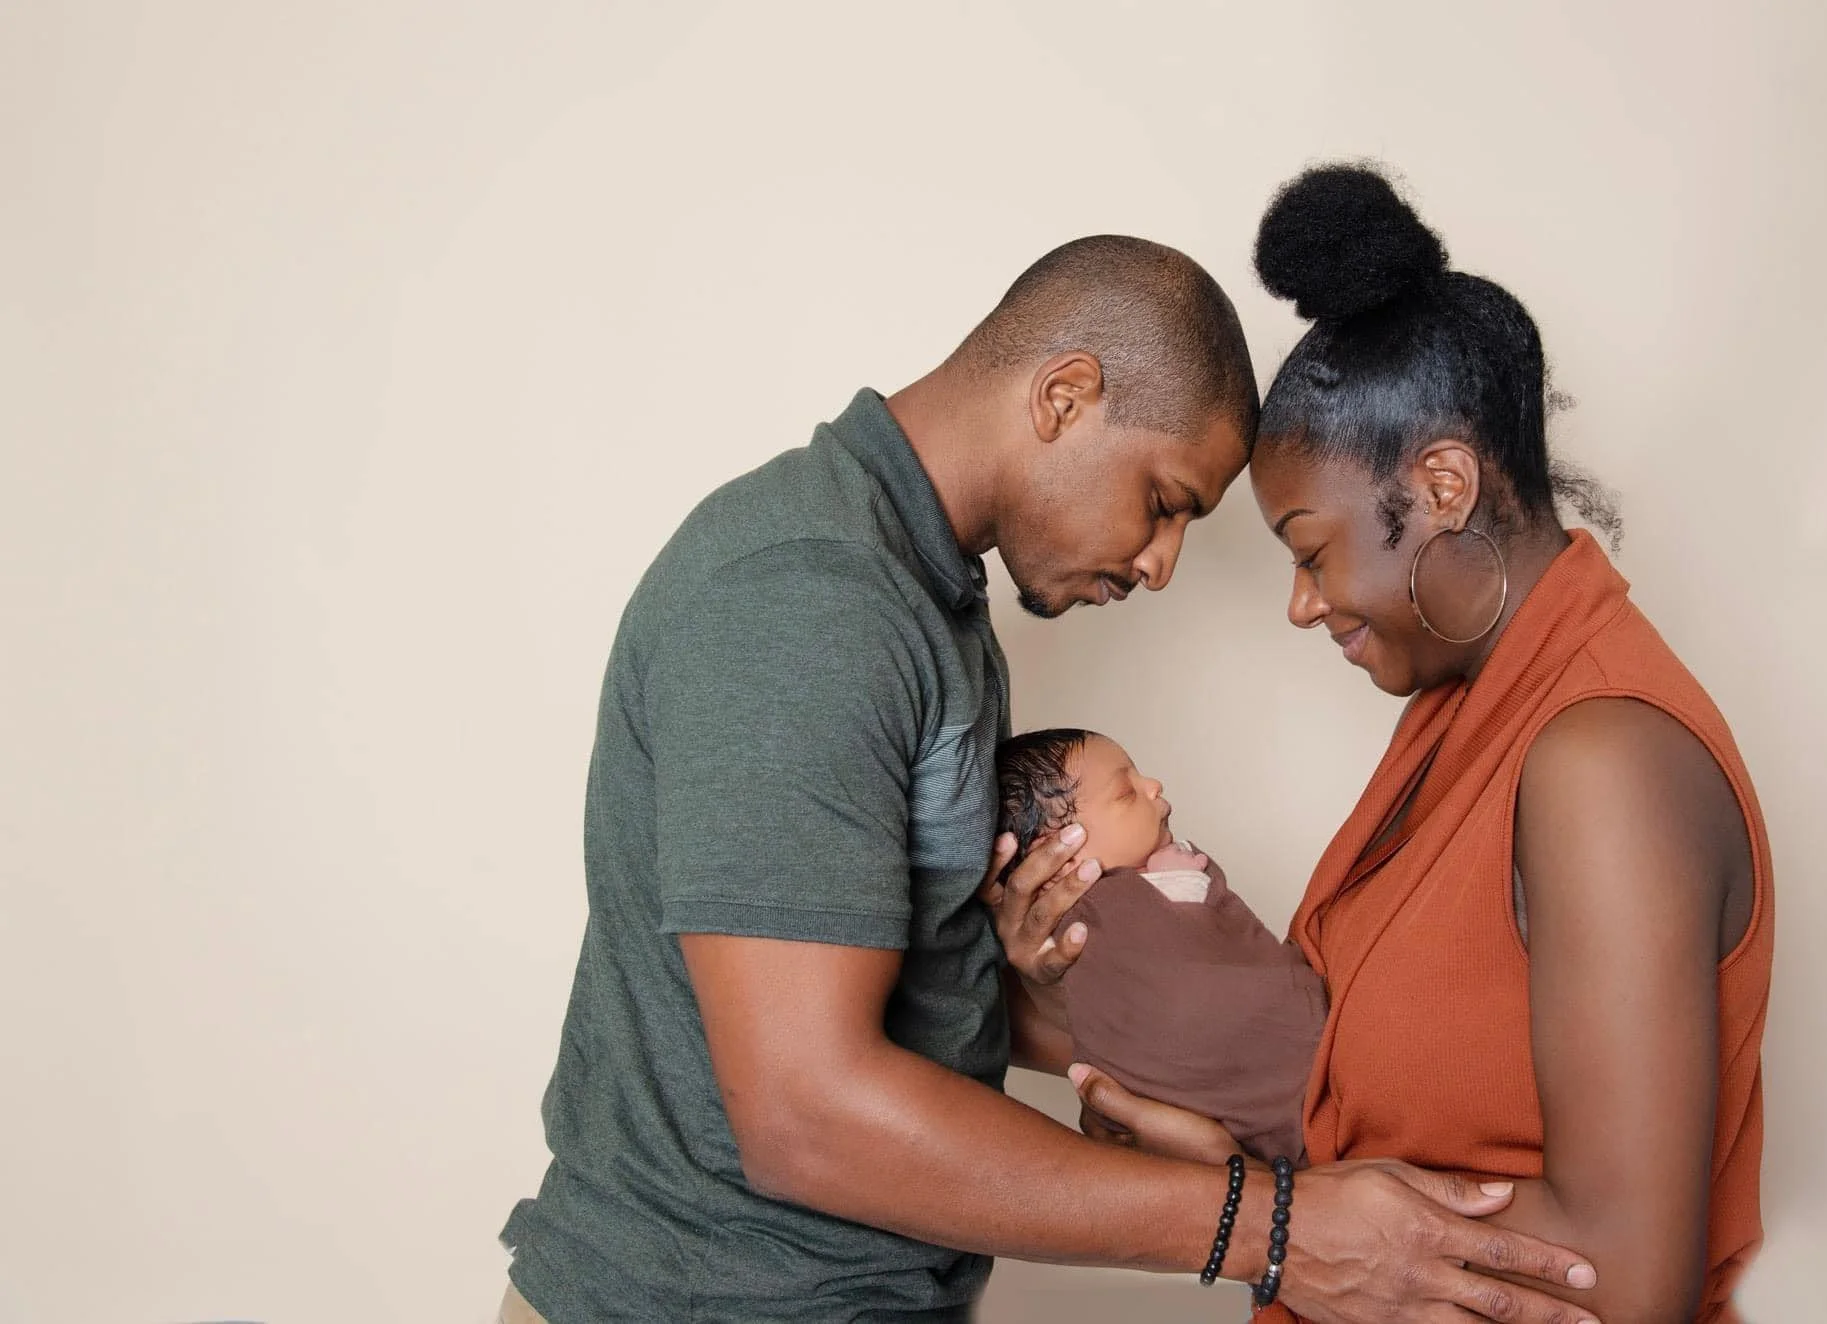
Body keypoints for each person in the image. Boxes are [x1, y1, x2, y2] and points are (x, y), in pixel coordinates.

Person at [499, 233, 1605, 1323]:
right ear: (1065, 398)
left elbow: (868, 1004)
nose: (1160, 564)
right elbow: (805, 1114)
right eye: (1166, 502)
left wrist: (1042, 1002)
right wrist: (1268, 1229)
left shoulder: (923, 603)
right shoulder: (809, 603)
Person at [1039, 165, 1776, 1323]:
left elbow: (1625, 1277)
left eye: (1308, 547)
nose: (1300, 602)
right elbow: (1348, 1098)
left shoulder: (1601, 761)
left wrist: (1261, 1213)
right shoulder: (1462, 710)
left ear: (1439, 485)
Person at [990, 728, 1326, 1163]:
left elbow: (1217, 958)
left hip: (1276, 1114)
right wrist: (1181, 879)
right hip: (1268, 1110)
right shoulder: (1079, 925)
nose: (1154, 786)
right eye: (1126, 791)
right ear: (1055, 855)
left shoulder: (1135, 895)